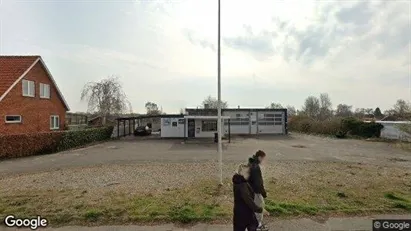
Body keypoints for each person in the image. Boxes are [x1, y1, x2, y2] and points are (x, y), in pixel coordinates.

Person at [232, 164, 264, 231]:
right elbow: (248, 199)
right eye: (248, 173)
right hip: (245, 213)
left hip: (239, 213)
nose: (249, 174)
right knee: (253, 225)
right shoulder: (242, 185)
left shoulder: (238, 182)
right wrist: (259, 209)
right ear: (242, 173)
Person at [248, 150, 268, 231]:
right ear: (259, 157)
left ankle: (252, 225)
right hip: (256, 191)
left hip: (250, 190)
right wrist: (264, 193)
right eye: (263, 158)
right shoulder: (256, 167)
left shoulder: (251, 163)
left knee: (253, 208)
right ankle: (258, 226)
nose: (263, 160)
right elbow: (258, 182)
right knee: (259, 207)